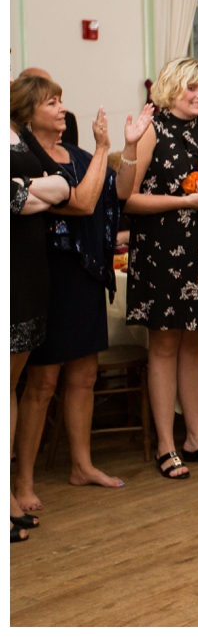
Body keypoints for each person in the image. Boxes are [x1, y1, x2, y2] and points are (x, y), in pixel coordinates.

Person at [10, 80, 150, 514]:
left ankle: (82, 464)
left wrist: (124, 147)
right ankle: (23, 479)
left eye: (60, 101)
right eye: (51, 102)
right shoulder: (29, 158)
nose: (61, 108)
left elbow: (120, 192)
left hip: (85, 274)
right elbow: (84, 204)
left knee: (85, 377)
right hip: (45, 276)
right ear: (27, 114)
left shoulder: (78, 156)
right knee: (42, 383)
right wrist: (103, 146)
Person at [123, 57, 198, 479]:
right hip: (161, 251)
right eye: (191, 88)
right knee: (164, 347)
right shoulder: (152, 131)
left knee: (195, 345)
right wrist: (185, 200)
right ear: (170, 89)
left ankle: (197, 437)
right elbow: (130, 199)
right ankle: (166, 444)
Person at [10, 116, 73, 540]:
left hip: (28, 277)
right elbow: (19, 199)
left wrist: (29, 189)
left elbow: (63, 187)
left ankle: (9, 494)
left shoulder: (17, 130)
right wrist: (35, 190)